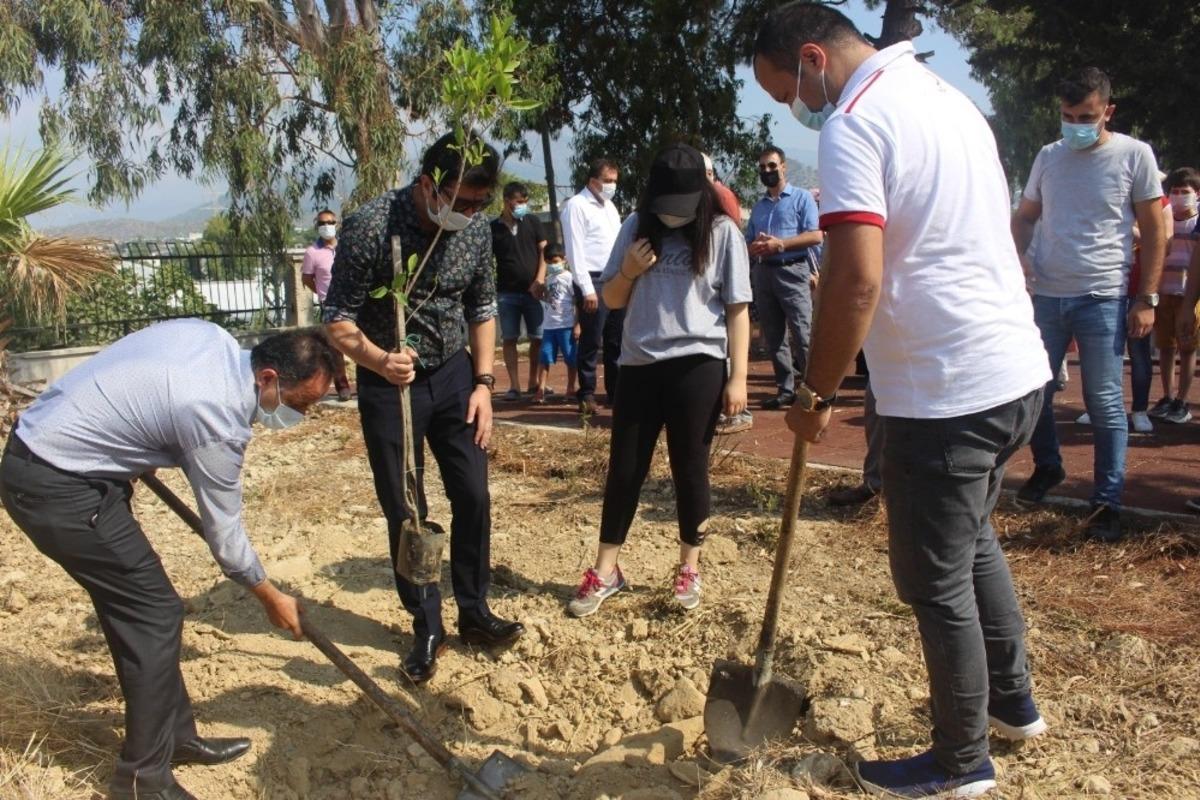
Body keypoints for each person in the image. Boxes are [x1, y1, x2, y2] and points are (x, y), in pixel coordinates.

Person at [753, 4, 1051, 796]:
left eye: (786, 92)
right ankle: (1012, 703)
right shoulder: (946, 98)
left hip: (944, 391)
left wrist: (816, 391)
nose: (794, 110)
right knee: (973, 541)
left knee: (933, 580)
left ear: (813, 58)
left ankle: (961, 760)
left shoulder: (856, 121)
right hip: (1013, 373)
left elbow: (856, 279)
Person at [0, 320, 336, 800]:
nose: (300, 415)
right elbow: (226, 538)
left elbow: (139, 371)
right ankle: (142, 779)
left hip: (52, 450)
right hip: (57, 486)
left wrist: (136, 436)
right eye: (299, 404)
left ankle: (175, 738)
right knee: (154, 612)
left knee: (142, 609)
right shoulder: (216, 418)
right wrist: (269, 595)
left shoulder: (212, 338)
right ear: (267, 378)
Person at [322, 132, 524, 685]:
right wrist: (380, 360)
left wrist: (484, 385)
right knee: (407, 507)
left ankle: (474, 611)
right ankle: (426, 624)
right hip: (390, 384)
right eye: (462, 202)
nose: (470, 213)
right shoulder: (372, 226)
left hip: (456, 376)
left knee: (474, 493)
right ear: (430, 185)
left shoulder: (475, 229)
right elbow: (337, 318)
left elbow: (482, 307)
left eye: (480, 204)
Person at [567, 143, 750, 617]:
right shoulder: (634, 225)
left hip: (699, 365)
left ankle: (689, 565)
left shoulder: (722, 232)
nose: (672, 216)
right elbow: (612, 298)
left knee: (691, 467)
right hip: (639, 364)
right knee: (625, 468)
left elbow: (737, 309)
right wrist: (628, 271)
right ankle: (606, 570)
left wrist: (738, 378)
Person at [1012, 67, 1165, 541]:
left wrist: (1147, 298)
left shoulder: (1134, 155)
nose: (1076, 124)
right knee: (1032, 391)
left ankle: (1106, 503)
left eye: (1086, 116)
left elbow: (1154, 231)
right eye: (1068, 115)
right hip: (1048, 295)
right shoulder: (1048, 156)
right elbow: (1026, 216)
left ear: (1107, 112)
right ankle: (1049, 465)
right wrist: (1016, 260)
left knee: (1104, 402)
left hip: (1103, 296)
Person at [744, 144, 823, 409]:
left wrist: (781, 244)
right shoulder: (758, 207)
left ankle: (815, 390)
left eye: (771, 166)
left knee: (802, 332)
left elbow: (816, 235)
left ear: (783, 167)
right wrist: (755, 247)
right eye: (762, 167)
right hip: (764, 273)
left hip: (793, 270)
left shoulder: (802, 198)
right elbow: (747, 242)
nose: (767, 171)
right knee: (774, 335)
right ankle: (785, 389)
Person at [561, 158, 623, 414]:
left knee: (616, 339)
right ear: (592, 181)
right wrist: (586, 288)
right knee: (591, 339)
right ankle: (586, 393)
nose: (612, 186)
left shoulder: (610, 207)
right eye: (607, 181)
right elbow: (574, 250)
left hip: (615, 277)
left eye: (614, 181)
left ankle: (615, 391)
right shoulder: (577, 205)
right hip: (592, 278)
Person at [1148, 167, 1200, 424]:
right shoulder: (1165, 219)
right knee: (1165, 347)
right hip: (1163, 291)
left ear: (1196, 193)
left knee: (1187, 348)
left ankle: (1182, 399)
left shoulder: (1196, 222)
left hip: (1188, 293)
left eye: (1185, 191)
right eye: (1175, 191)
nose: (1179, 196)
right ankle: (1167, 396)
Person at [491, 181, 548, 401]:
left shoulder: (533, 221)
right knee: (509, 338)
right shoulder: (493, 228)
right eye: (519, 201)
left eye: (525, 201)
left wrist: (539, 280)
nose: (523, 205)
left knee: (538, 338)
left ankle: (534, 381)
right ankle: (514, 385)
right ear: (507, 201)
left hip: (534, 292)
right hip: (507, 293)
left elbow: (544, 252)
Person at [301, 208, 352, 401]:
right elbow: (307, 278)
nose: (326, 226)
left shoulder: (346, 247)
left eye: (330, 222)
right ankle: (343, 386)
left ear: (336, 224)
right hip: (330, 304)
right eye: (322, 223)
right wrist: (322, 293)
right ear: (317, 226)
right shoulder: (312, 252)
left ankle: (367, 383)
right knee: (335, 347)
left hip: (353, 301)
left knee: (360, 342)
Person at [534, 243, 580, 403]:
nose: (552, 265)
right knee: (544, 358)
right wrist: (539, 289)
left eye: (555, 261)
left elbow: (577, 302)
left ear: (564, 259)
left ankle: (571, 388)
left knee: (570, 358)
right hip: (549, 326)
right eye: (549, 262)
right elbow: (544, 297)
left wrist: (577, 325)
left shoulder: (570, 278)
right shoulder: (548, 279)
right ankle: (541, 389)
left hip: (566, 325)